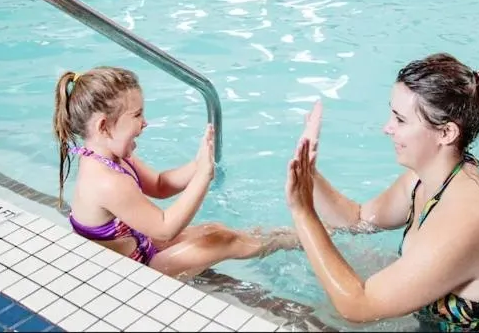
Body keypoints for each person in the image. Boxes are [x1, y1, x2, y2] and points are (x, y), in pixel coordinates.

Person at [283, 54, 479, 331]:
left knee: (301, 315)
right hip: (433, 317)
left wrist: (303, 211)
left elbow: (357, 306)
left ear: (446, 133)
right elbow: (358, 219)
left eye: (400, 120)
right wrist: (310, 173)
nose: (387, 128)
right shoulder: (425, 179)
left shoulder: (465, 222)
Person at [53, 66, 297, 278]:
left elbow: (159, 185)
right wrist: (202, 177)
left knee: (214, 229)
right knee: (223, 242)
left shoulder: (112, 157)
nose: (145, 122)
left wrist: (198, 163)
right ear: (104, 126)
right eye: (137, 115)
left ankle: (281, 236)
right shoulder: (106, 182)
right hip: (135, 271)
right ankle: (292, 241)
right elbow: (166, 228)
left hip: (141, 245)